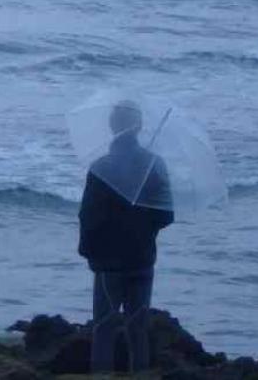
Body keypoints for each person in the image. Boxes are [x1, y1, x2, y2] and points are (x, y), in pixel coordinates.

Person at [79, 101, 174, 374]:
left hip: (108, 263)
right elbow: (166, 216)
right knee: (138, 329)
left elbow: (87, 217)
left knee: (104, 328)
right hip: (142, 258)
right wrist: (144, 227)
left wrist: (89, 254)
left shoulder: (101, 167)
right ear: (140, 127)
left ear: (112, 126)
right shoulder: (154, 164)